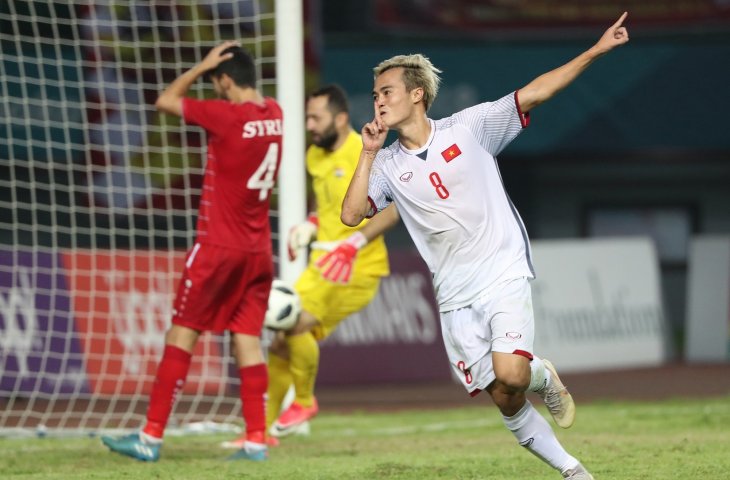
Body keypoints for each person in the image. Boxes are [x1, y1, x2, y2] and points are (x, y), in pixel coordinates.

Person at [341, 13, 630, 480]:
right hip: (454, 294)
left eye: (387, 91)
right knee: (504, 397)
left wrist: (595, 51)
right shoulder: (388, 163)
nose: (378, 101)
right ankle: (575, 472)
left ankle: (543, 377)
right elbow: (352, 214)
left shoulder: (470, 127)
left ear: (417, 94)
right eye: (374, 95)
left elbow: (536, 92)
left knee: (514, 375)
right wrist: (368, 152)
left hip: (502, 272)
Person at [101, 41, 283, 462]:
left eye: (217, 82)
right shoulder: (275, 113)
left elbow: (166, 100)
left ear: (223, 80)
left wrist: (200, 66)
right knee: (248, 341)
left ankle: (149, 437)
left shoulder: (224, 116)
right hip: (258, 251)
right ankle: (256, 440)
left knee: (181, 333)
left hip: (218, 247)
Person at [222, 84, 399, 449]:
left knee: (291, 322)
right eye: (307, 117)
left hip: (358, 267)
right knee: (281, 342)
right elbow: (332, 206)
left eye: (316, 117)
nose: (310, 124)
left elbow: (397, 206)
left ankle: (304, 401)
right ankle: (261, 433)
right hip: (321, 266)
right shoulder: (315, 157)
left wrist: (353, 244)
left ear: (341, 118)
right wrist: (311, 225)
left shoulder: (362, 153)